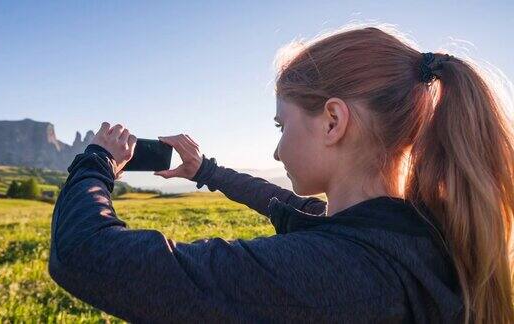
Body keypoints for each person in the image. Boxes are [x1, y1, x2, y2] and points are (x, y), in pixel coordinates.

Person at [48, 25, 514, 324]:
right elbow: (284, 205)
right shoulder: (419, 235)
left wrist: (97, 160)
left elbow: (84, 253)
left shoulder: (332, 273)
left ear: (333, 121)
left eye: (281, 124)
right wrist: (205, 171)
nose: (276, 147)